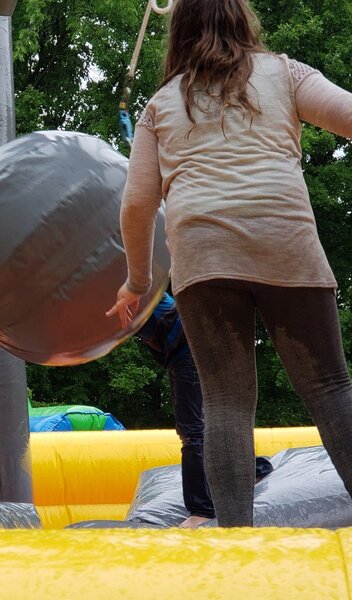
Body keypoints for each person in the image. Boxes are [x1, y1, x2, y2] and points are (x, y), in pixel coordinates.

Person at [107, 0, 352, 526]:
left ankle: (236, 541)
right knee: (330, 388)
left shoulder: (161, 105)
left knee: (226, 403)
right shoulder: (284, 73)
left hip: (204, 254)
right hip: (285, 240)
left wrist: (137, 282)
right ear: (243, 20)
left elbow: (136, 204)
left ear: (179, 31)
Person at [136, 291, 272, 528]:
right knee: (206, 421)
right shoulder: (122, 288)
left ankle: (202, 510)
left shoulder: (126, 286)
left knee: (192, 430)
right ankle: (252, 468)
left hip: (189, 347)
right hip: (193, 346)